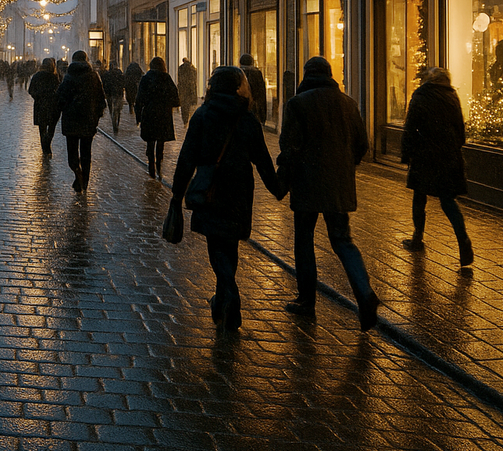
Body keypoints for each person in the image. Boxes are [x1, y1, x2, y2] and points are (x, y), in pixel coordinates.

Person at [171, 67, 281, 331]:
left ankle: (229, 295)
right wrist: (278, 186)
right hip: (238, 191)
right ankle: (222, 302)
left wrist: (177, 194)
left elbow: (187, 158)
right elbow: (263, 160)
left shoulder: (203, 115)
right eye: (244, 84)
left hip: (210, 190)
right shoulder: (247, 119)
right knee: (229, 246)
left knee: (217, 246)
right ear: (236, 88)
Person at [277, 56, 380, 331]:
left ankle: (306, 300)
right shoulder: (349, 104)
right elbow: (362, 145)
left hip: (307, 183)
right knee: (342, 240)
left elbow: (289, 146)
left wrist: (285, 175)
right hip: (338, 185)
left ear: (306, 75)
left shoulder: (297, 104)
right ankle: (365, 292)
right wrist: (344, 166)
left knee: (304, 240)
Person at [401, 67, 474, 267]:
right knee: (447, 200)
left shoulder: (421, 95)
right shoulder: (452, 96)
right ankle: (463, 240)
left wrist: (406, 153)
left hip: (424, 154)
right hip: (448, 155)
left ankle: (417, 237)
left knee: (419, 196)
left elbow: (410, 127)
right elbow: (460, 128)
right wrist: (454, 148)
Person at [56, 51, 106, 192]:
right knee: (86, 153)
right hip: (88, 120)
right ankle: (85, 181)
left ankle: (77, 172)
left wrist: (65, 108)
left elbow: (60, 98)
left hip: (71, 121)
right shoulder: (93, 77)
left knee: (72, 153)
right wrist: (96, 115)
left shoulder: (68, 77)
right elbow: (101, 99)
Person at [135, 57, 179, 180]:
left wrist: (138, 116)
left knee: (150, 140)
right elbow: (175, 98)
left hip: (150, 113)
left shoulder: (146, 79)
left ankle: (151, 164)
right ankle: (159, 162)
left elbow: (139, 99)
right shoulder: (166, 78)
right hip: (164, 114)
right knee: (160, 140)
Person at [27, 57, 61, 157]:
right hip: (52, 106)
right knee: (51, 127)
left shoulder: (37, 76)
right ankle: (47, 145)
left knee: (42, 129)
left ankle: (45, 149)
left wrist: (38, 97)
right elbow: (59, 91)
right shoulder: (54, 77)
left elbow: (31, 90)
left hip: (40, 105)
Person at [239, 54, 268, 125]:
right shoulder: (257, 73)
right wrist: (263, 115)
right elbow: (262, 94)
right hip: (254, 107)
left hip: (241, 107)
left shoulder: (238, 73)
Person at [101, 61, 125, 134]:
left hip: (110, 93)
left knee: (112, 108)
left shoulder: (107, 74)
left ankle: (113, 120)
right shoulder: (119, 73)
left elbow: (104, 83)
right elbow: (123, 82)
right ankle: (116, 121)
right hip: (117, 93)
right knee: (117, 109)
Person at [178, 58, 198, 126]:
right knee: (189, 105)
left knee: (184, 106)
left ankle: (185, 120)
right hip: (190, 90)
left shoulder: (180, 68)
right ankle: (188, 120)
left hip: (183, 90)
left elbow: (179, 79)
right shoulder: (193, 69)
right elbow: (194, 81)